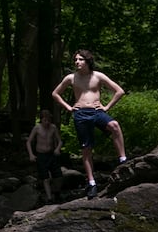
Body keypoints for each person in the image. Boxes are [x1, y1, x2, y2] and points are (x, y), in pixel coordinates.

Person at [51, 49, 126, 199]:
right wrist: (68, 107)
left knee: (114, 125)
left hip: (97, 111)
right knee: (86, 148)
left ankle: (123, 160)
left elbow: (119, 91)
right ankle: (91, 183)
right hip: (80, 114)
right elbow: (55, 93)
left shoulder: (98, 76)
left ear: (87, 61)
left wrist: (107, 107)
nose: (77, 62)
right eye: (75, 60)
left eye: (80, 59)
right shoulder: (71, 78)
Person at [26, 110, 63, 203]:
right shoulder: (37, 128)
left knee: (58, 176)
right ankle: (49, 198)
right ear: (41, 120)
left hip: (51, 154)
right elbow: (28, 142)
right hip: (41, 155)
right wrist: (31, 154)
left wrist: (57, 148)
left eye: (48, 120)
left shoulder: (53, 128)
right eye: (45, 120)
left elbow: (60, 141)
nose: (47, 122)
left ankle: (57, 193)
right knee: (45, 178)